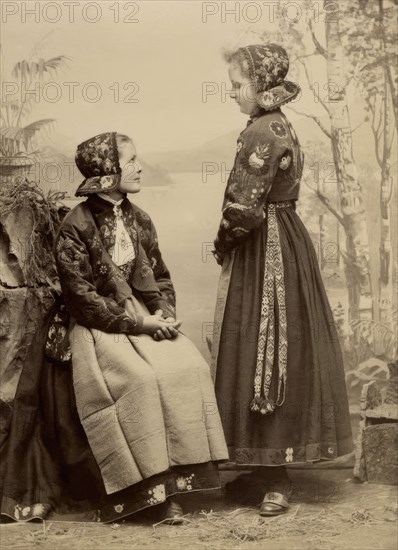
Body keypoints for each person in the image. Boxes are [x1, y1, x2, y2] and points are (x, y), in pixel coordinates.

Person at [0, 131, 228, 524]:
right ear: (107, 172)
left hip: (142, 315)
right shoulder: (75, 224)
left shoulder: (140, 219)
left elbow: (160, 275)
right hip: (93, 323)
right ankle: (146, 493)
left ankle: (180, 482)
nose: (139, 167)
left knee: (188, 367)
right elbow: (81, 297)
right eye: (131, 161)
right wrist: (138, 323)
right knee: (137, 380)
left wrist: (164, 314)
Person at [210, 44, 353, 517]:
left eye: (237, 84)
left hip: (265, 244)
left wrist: (223, 242)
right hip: (282, 238)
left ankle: (276, 476)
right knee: (266, 349)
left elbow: (244, 208)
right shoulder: (278, 124)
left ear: (260, 84)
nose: (231, 93)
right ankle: (264, 465)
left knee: (266, 350)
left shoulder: (260, 130)